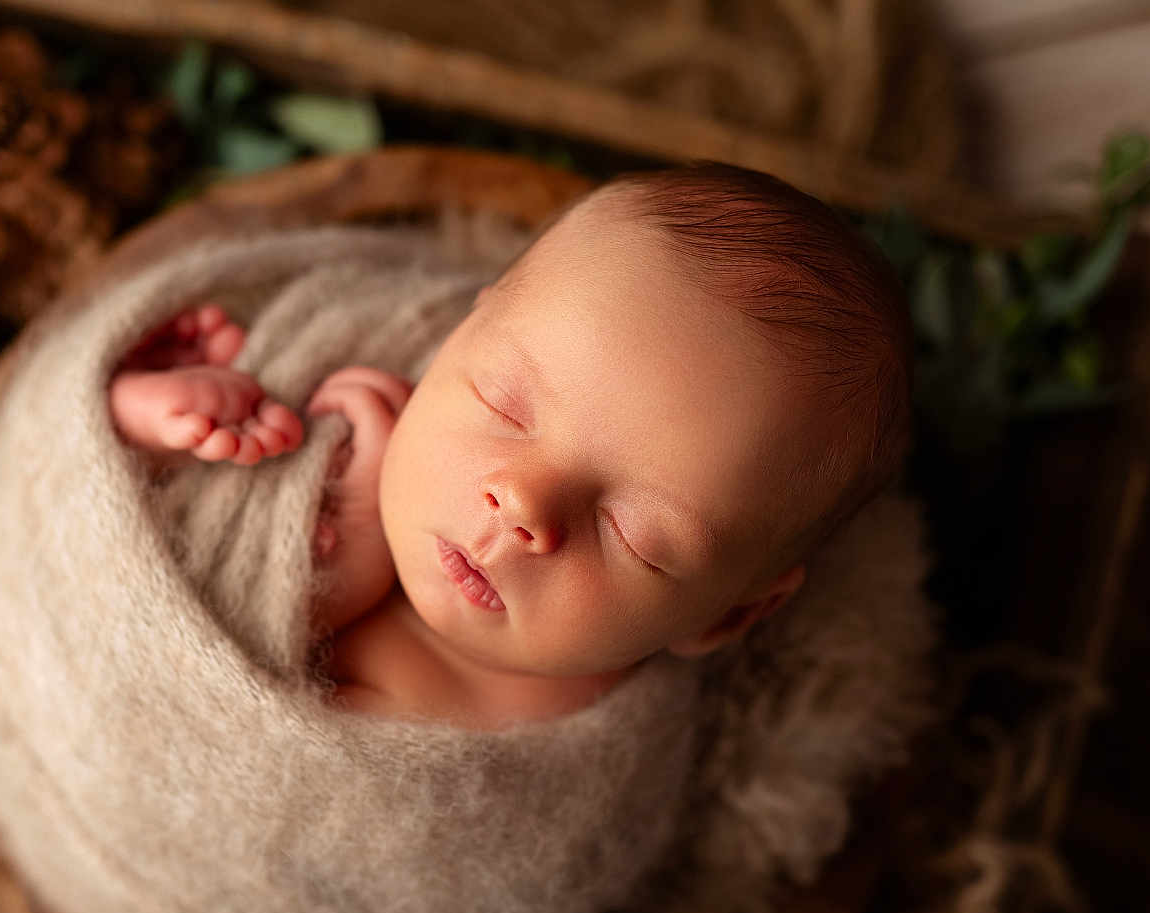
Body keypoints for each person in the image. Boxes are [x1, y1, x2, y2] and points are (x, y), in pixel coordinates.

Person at [106, 162, 911, 729]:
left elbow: (182, 733)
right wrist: (149, 417)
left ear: (729, 614)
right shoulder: (358, 377)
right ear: (465, 326)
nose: (524, 502)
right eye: (503, 404)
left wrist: (330, 588)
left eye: (636, 535)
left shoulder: (533, 735)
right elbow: (106, 536)